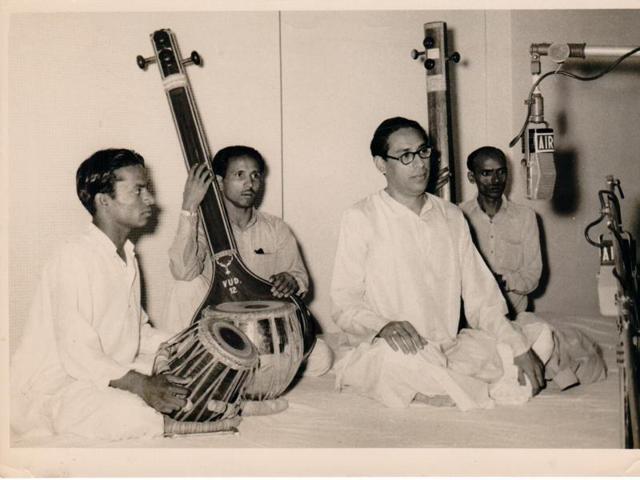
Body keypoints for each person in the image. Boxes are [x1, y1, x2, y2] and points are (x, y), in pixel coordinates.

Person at [330, 117, 548, 411]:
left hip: (450, 348)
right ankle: (464, 387)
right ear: (381, 164)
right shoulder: (361, 217)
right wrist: (383, 326)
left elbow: (482, 300)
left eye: (423, 152)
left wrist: (518, 346)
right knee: (395, 362)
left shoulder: (451, 216)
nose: (419, 164)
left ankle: (448, 385)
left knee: (537, 335)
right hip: (395, 350)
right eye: (405, 156)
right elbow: (344, 304)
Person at [11, 149, 194, 441]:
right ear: (103, 200)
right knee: (133, 413)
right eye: (138, 190)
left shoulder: (127, 256)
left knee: (186, 378)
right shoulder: (73, 258)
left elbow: (136, 332)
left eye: (147, 189)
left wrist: (186, 345)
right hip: (57, 385)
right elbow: (78, 355)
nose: (149, 199)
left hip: (104, 374)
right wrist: (142, 386)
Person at [163, 145, 332, 377]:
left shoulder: (276, 228)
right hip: (217, 325)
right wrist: (189, 207)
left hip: (261, 327)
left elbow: (299, 276)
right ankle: (191, 363)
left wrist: (291, 280)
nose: (250, 183)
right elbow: (183, 271)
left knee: (322, 359)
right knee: (184, 286)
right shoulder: (203, 227)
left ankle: (244, 369)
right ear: (220, 182)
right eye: (239, 175)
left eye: (255, 175)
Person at [460, 146, 542, 317]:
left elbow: (533, 275)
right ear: (471, 177)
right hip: (473, 319)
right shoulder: (458, 215)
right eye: (486, 173)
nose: (496, 180)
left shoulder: (525, 216)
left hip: (516, 317)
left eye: (501, 172)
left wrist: (504, 281)